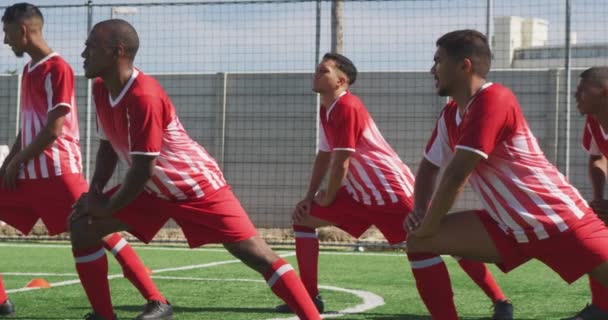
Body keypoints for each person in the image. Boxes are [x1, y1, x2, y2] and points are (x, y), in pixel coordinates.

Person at [70, 18, 322, 320]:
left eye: (91, 47)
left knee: (255, 254)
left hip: (196, 187)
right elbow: (108, 144)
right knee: (83, 226)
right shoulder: (101, 88)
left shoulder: (143, 96)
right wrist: (94, 192)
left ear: (117, 51)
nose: (84, 54)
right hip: (151, 190)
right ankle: (104, 315)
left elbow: (141, 169)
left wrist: (106, 205)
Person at [281, 52, 513, 319]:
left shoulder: (348, 106)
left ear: (341, 81)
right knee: (303, 219)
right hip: (360, 195)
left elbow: (341, 161)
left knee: (439, 238)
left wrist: (327, 196)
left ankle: (501, 301)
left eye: (323, 71)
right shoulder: (326, 108)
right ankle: (309, 297)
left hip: (391, 193)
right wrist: (310, 197)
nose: (316, 74)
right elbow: (325, 155)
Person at [405, 29, 608, 319]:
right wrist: (420, 210)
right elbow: (429, 165)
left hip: (562, 222)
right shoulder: (450, 115)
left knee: (423, 235)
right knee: (419, 242)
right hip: (509, 227)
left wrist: (428, 224)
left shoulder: (495, 99)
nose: (432, 70)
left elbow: (456, 175)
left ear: (464, 66)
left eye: (438, 61)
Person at [1, 4, 170, 319]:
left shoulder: (57, 68)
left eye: (6, 32)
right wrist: (9, 163)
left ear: (22, 31)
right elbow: (29, 128)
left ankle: (156, 299)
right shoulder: (27, 71)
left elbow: (53, 129)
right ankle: (1, 302)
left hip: (59, 174)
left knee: (103, 232)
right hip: (28, 174)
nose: (5, 40)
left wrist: (17, 161)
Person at [568, 66, 608, 320]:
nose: (576, 94)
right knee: (596, 234)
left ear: (604, 92)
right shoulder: (594, 120)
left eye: (583, 89)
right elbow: (597, 158)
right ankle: (601, 308)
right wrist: (599, 199)